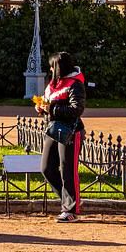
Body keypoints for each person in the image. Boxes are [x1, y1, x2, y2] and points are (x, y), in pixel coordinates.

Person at [38, 52, 87, 221]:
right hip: (54, 129)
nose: (50, 69)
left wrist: (51, 109)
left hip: (71, 131)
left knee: (68, 170)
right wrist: (42, 109)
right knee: (47, 168)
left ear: (59, 68)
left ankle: (71, 210)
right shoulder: (54, 84)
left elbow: (76, 110)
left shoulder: (75, 84)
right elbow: (48, 103)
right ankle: (70, 201)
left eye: (52, 66)